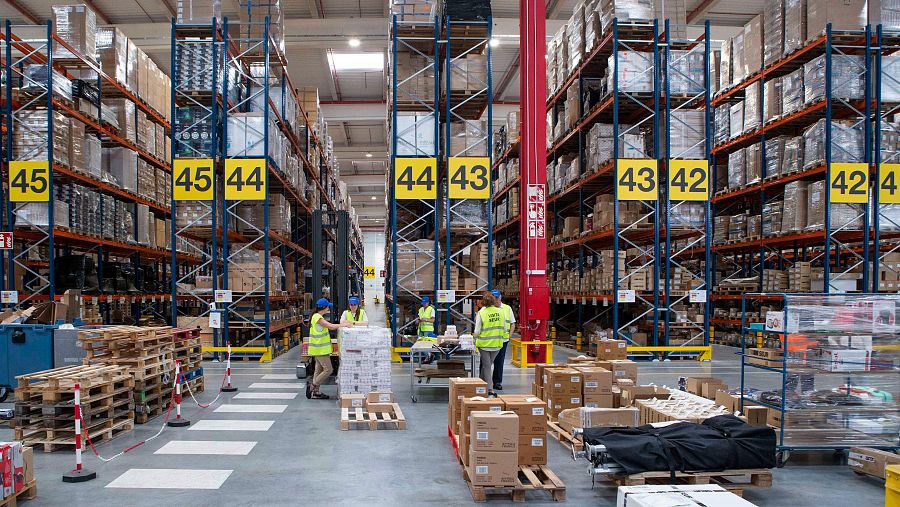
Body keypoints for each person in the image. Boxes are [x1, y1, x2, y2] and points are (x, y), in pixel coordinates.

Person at [306, 298, 351, 400]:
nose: (328, 309)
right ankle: (312, 385)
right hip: (320, 349)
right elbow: (330, 326)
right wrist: (344, 324)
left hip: (319, 349)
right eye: (327, 307)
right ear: (324, 307)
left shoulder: (317, 316)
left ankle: (315, 393)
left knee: (319, 369)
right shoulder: (317, 317)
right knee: (328, 369)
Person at [474, 292, 505, 396]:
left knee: (487, 366)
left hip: (484, 344)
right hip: (497, 344)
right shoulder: (501, 312)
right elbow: (504, 328)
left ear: (483, 303)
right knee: (488, 365)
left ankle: (490, 389)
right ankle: (481, 384)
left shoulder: (481, 313)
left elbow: (477, 331)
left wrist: (473, 338)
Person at [490, 289, 515, 391]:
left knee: (499, 362)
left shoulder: (507, 308)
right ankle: (484, 381)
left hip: (502, 340)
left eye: (497, 297)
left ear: (500, 297)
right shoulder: (486, 309)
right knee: (486, 363)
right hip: (490, 340)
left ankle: (497, 382)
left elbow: (512, 323)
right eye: (493, 297)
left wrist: (509, 336)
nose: (495, 299)